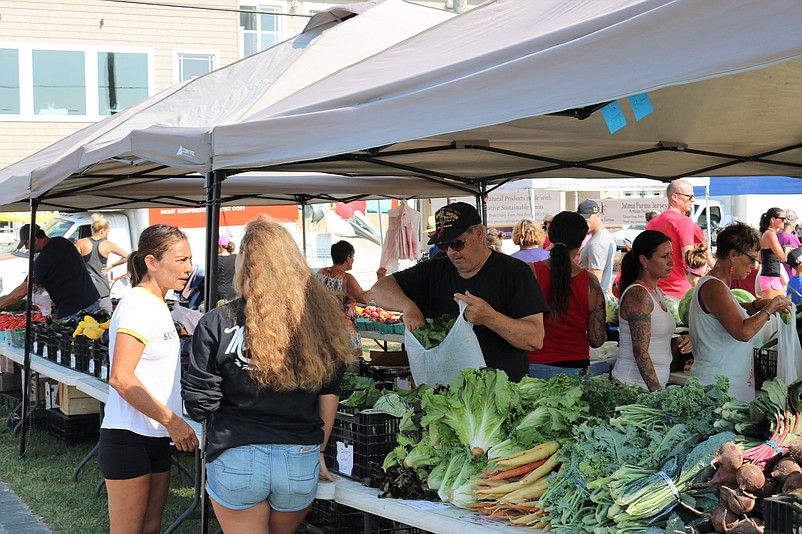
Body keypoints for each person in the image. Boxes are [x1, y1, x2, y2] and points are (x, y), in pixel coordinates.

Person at [182, 218, 354, 534]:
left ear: (244, 262)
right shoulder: (318, 323)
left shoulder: (216, 322)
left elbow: (199, 405)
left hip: (236, 455)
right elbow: (329, 392)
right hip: (298, 459)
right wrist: (319, 450)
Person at [370, 202, 547, 382]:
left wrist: (489, 317)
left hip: (503, 393)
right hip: (447, 394)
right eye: (443, 246)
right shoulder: (434, 270)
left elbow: (534, 339)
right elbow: (379, 288)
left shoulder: (514, 272)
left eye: (457, 243)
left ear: (479, 233)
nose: (451, 252)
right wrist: (408, 307)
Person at [99, 224, 198, 534]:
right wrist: (172, 420)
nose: (189, 269)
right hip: (129, 438)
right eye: (181, 260)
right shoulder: (139, 305)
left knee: (151, 528)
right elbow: (121, 379)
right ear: (152, 262)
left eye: (190, 260)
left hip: (153, 437)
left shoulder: (157, 304)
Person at [690, 222, 792, 402]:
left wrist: (757, 305)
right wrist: (770, 307)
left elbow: (727, 312)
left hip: (724, 387)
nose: (754, 266)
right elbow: (743, 331)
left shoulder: (716, 285)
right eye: (751, 258)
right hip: (717, 389)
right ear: (733, 255)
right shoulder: (714, 287)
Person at [527, 211, 606, 379]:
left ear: (550, 234)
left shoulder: (530, 272)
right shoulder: (590, 282)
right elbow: (596, 340)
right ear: (582, 240)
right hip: (576, 368)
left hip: (534, 366)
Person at [612, 230, 692, 391]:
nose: (672, 262)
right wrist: (658, 395)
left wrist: (676, 341)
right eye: (664, 256)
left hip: (648, 387)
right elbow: (640, 352)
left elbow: (652, 339)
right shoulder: (638, 295)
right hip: (632, 387)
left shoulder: (657, 293)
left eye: (671, 254)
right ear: (644, 260)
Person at [0, 223, 100, 319]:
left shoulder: (45, 258)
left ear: (35, 239)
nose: (26, 248)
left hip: (74, 308)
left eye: (27, 243)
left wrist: (2, 304)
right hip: (91, 301)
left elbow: (25, 288)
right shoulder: (62, 242)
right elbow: (62, 273)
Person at [646, 179, 714, 298]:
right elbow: (688, 259)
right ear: (675, 196)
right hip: (679, 292)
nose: (693, 200)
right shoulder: (684, 221)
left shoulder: (652, 223)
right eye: (689, 196)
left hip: (655, 290)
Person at [316, 240, 372, 358]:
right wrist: (380, 281)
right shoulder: (347, 278)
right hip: (344, 330)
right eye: (353, 257)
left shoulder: (321, 273)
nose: (353, 260)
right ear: (348, 257)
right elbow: (364, 299)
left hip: (324, 327)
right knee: (347, 366)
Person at [76, 213, 130, 312]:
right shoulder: (108, 245)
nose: (107, 234)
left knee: (85, 321)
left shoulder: (81, 242)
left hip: (85, 287)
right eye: (107, 231)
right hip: (102, 288)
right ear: (102, 230)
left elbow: (74, 262)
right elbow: (127, 256)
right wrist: (111, 266)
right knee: (105, 320)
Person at [577, 199, 616, 299]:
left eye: (586, 219)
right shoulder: (604, 236)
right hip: (600, 298)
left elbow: (594, 282)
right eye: (580, 219)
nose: (583, 223)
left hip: (594, 301)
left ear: (598, 216)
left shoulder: (597, 243)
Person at [759, 207, 788, 299]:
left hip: (771, 277)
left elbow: (760, 258)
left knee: (781, 307)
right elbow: (782, 257)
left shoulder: (767, 234)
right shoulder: (770, 234)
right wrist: (788, 252)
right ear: (772, 220)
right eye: (782, 219)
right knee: (771, 309)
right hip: (770, 278)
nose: (785, 221)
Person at [777, 210, 800, 280]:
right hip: (789, 274)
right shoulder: (791, 239)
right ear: (792, 222)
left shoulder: (775, 236)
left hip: (778, 273)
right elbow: (797, 259)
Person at [216, 235, 237, 303]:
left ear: (219, 246)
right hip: (234, 291)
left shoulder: (216, 259)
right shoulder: (235, 257)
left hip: (219, 293)